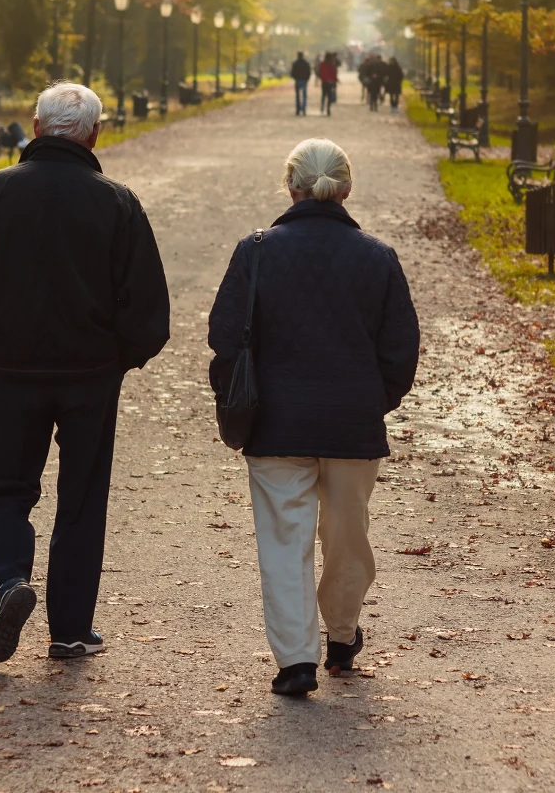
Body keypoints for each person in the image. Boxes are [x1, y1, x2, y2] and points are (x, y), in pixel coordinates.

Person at [0, 81, 171, 665]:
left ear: (35, 129)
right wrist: (118, 361)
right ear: (94, 134)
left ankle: (10, 582)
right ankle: (69, 629)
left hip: (12, 373)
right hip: (90, 376)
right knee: (83, 498)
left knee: (7, 491)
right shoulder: (116, 202)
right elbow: (149, 314)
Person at [207, 138, 420, 697]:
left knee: (285, 539)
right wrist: (375, 401)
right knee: (348, 536)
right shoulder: (377, 257)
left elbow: (225, 338)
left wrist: (234, 396)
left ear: (291, 186)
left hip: (275, 422)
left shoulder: (256, 251)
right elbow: (401, 350)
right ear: (346, 189)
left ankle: (296, 660)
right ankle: (343, 635)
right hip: (352, 423)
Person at [291, 52, 312, 116]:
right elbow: (309, 72)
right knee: (304, 96)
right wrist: (307, 78)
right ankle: (303, 109)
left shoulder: (295, 63)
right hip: (304, 80)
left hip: (298, 80)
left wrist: (295, 77)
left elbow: (292, 73)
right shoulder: (306, 63)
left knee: (297, 96)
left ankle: (298, 109)